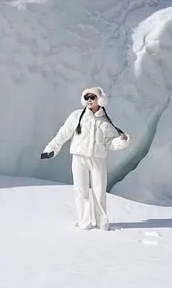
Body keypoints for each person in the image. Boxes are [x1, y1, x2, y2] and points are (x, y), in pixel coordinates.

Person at [40, 86, 130, 230]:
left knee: (99, 192)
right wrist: (51, 148)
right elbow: (63, 133)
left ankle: (102, 224)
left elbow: (110, 143)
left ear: (100, 100)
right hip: (79, 158)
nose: (89, 100)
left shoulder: (106, 121)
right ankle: (84, 222)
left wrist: (122, 141)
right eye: (86, 97)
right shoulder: (76, 116)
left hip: (97, 160)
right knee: (81, 191)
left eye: (92, 97)